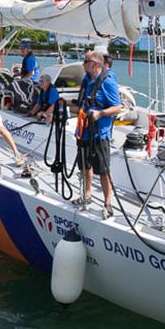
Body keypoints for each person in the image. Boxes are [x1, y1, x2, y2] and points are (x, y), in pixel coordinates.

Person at [72, 51, 122, 218]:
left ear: (95, 64)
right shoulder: (86, 80)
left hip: (100, 133)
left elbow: (117, 107)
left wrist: (100, 114)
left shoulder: (107, 83)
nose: (83, 64)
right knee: (85, 165)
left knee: (103, 169)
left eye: (85, 61)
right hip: (84, 131)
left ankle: (108, 202)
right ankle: (87, 194)